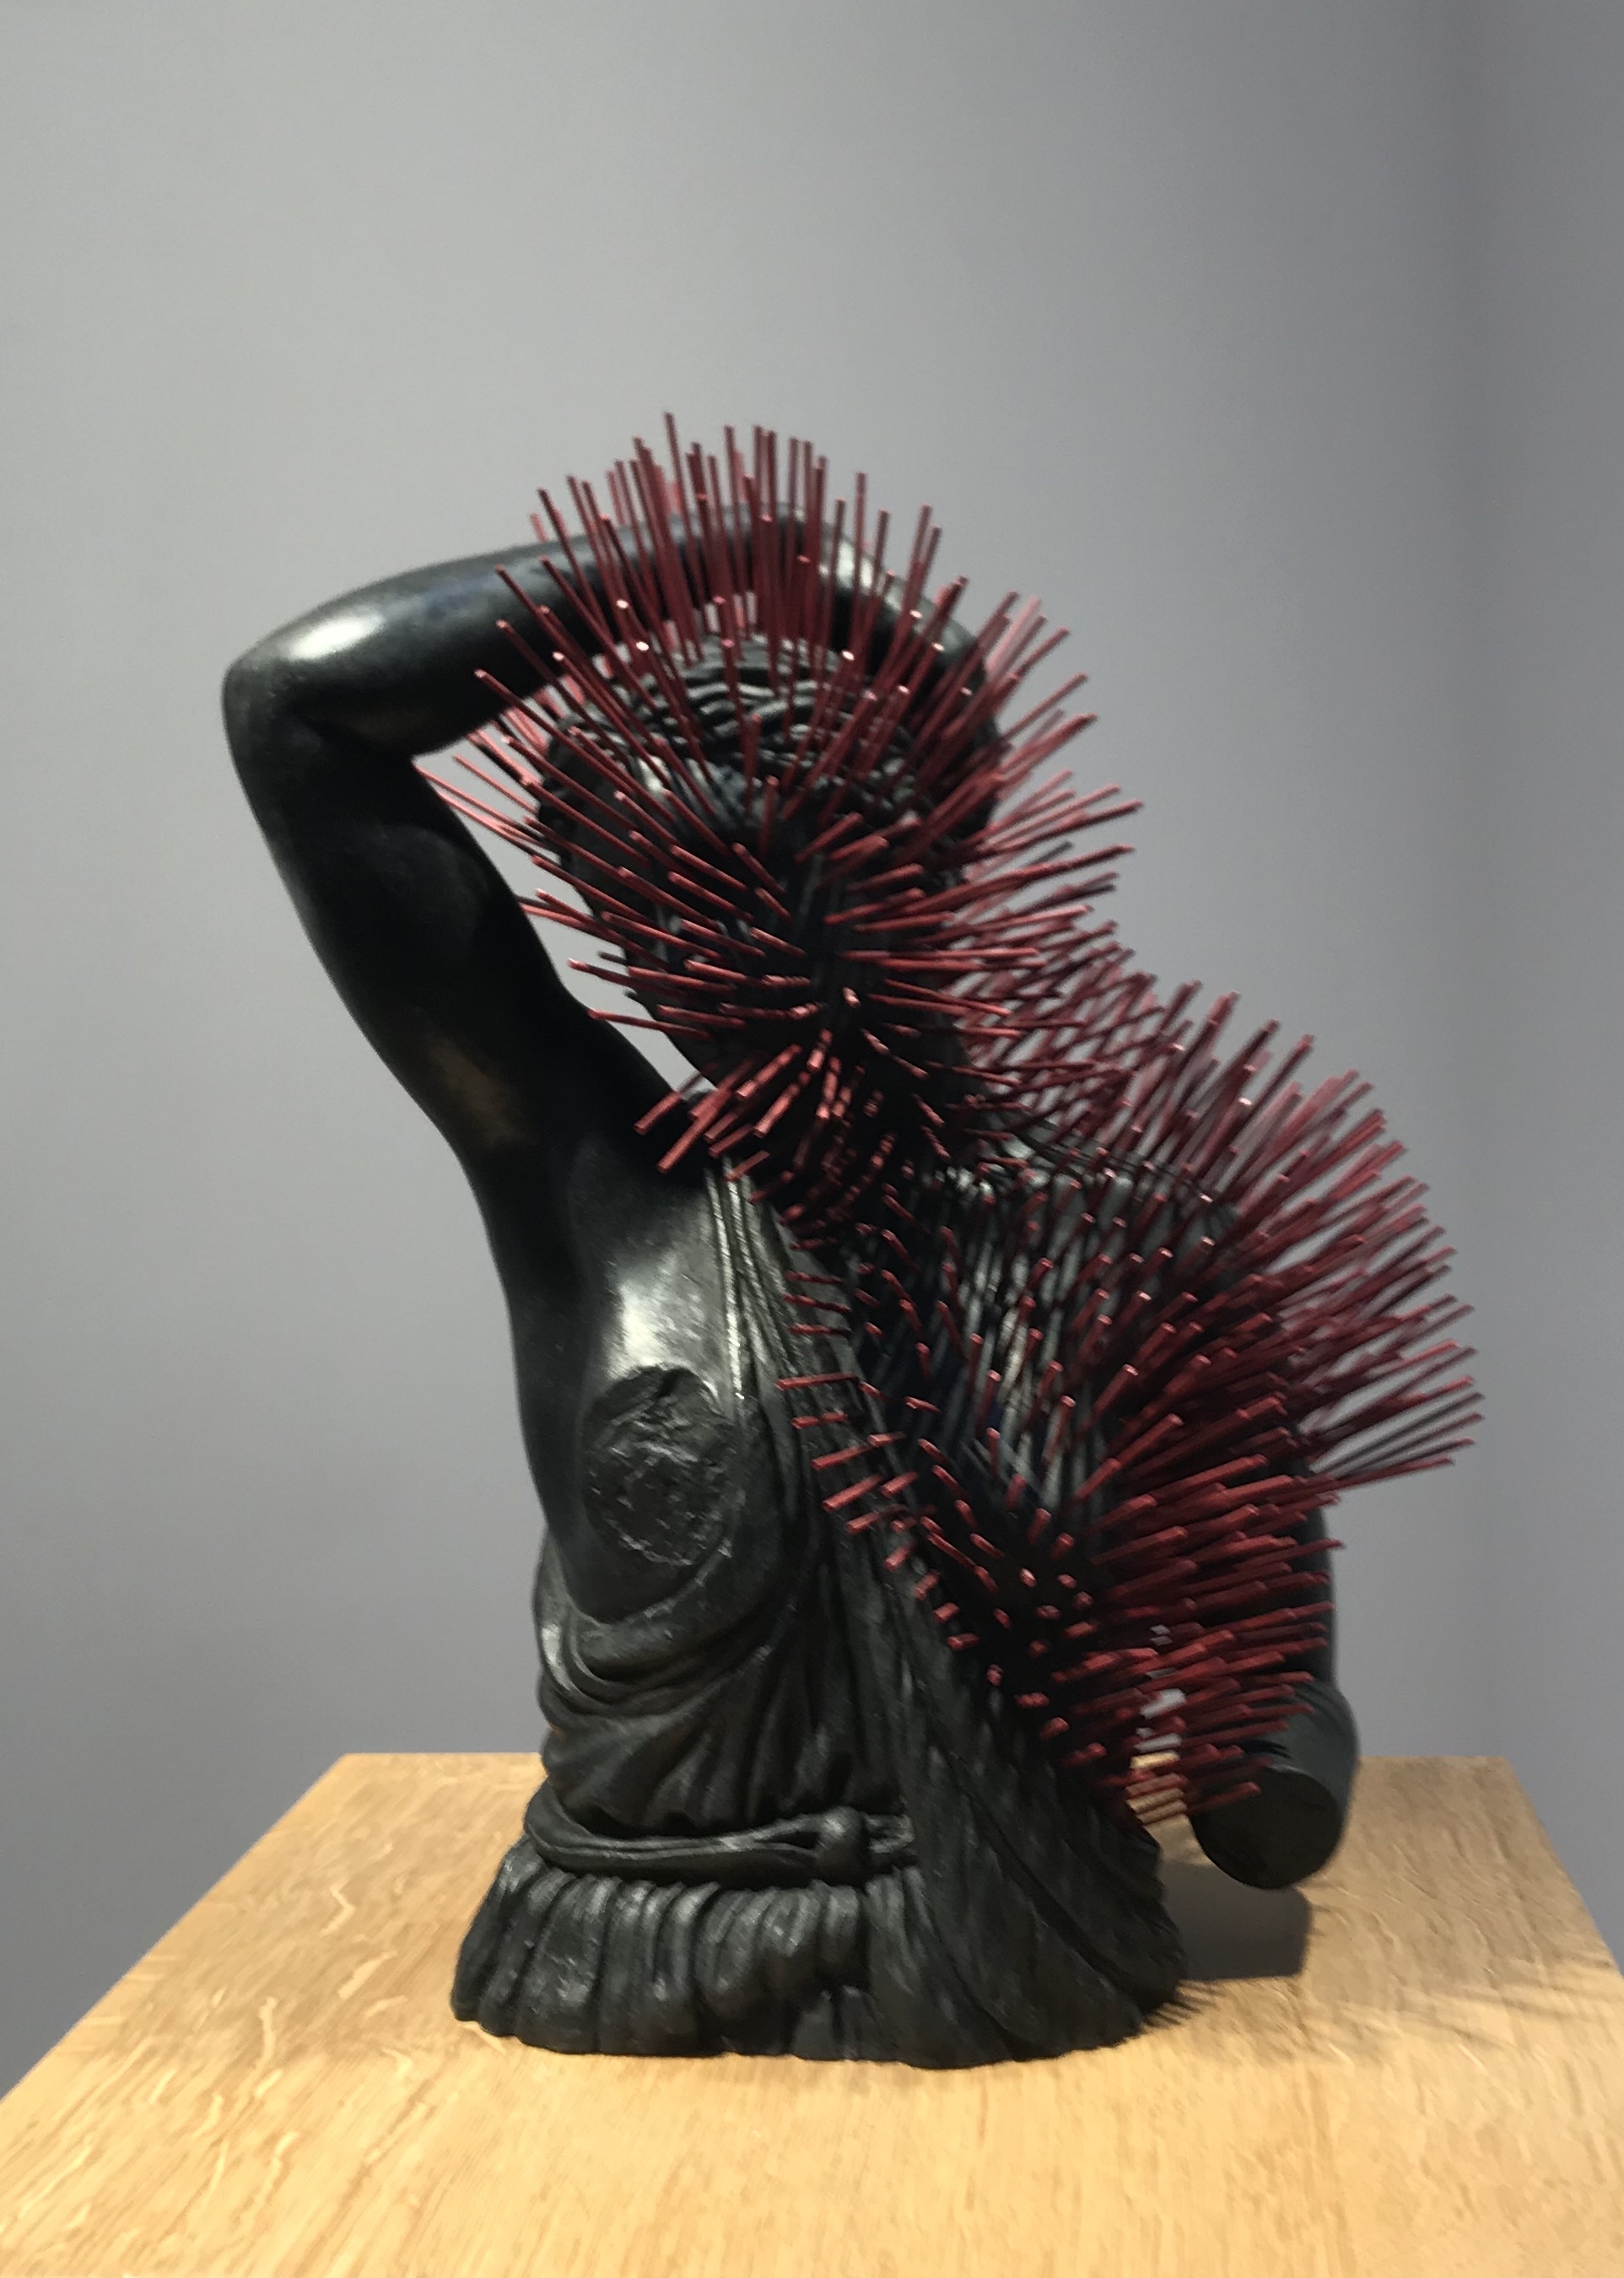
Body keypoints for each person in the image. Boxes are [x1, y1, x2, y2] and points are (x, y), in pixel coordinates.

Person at [224, 435, 1382, 2063]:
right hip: (611, 1959)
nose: (721, 957)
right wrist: (724, 551)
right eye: (660, 911)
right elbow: (295, 710)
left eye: (788, 875)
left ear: (916, 872)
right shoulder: (592, 1190)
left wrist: (1265, 1761)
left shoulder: (1130, 1247)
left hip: (1013, 1951)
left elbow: (1279, 1678)